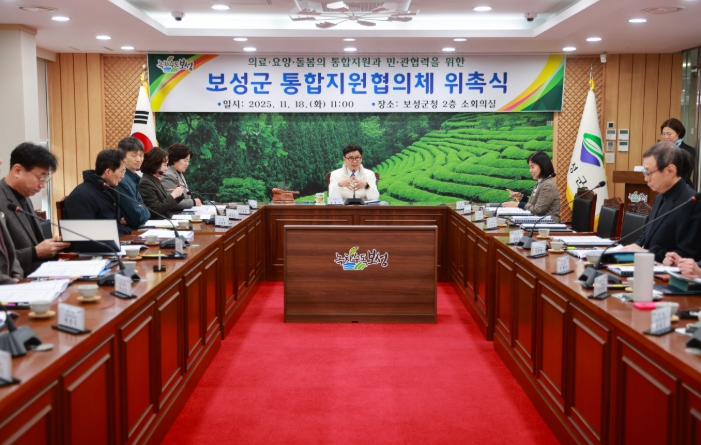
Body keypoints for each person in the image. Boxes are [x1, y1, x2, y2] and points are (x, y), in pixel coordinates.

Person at [620, 142, 701, 262]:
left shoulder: (691, 202)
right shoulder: (659, 198)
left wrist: (646, 252)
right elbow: (647, 235)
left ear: (670, 171)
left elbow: (688, 254)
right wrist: (633, 248)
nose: (645, 178)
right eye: (644, 172)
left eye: (649, 173)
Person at [0, 143, 69, 275]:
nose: (42, 185)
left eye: (45, 179)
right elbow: (3, 259)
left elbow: (35, 242)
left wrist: (52, 246)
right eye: (40, 178)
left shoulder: (25, 196)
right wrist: (35, 252)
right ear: (18, 170)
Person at [63, 149, 131, 236]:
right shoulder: (80, 196)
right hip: (99, 243)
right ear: (108, 172)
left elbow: (116, 226)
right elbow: (85, 235)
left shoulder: (110, 189)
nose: (123, 176)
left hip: (114, 239)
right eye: (122, 171)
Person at [502, 150, 560, 222]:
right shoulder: (541, 182)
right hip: (538, 222)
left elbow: (538, 211)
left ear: (542, 166)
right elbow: (532, 205)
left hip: (548, 225)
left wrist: (518, 204)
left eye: (532, 167)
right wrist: (522, 197)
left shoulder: (548, 185)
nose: (530, 171)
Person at [139, 147, 185, 219]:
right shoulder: (146, 183)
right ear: (155, 164)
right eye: (164, 165)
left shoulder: (155, 179)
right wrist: (173, 195)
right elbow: (155, 210)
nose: (166, 168)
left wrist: (178, 194)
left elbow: (166, 204)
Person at [116, 137, 150, 232]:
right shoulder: (122, 179)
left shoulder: (134, 178)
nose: (139, 159)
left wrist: (143, 210)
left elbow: (144, 210)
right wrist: (142, 210)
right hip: (125, 232)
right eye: (134, 155)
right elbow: (137, 217)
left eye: (141, 155)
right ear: (122, 156)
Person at [161, 144, 202, 210]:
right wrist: (193, 202)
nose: (187, 164)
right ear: (175, 159)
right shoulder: (168, 175)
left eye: (188, 161)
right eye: (185, 161)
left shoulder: (178, 173)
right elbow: (172, 202)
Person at [660, 118, 696, 186]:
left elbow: (685, 176)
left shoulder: (688, 150)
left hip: (683, 188)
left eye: (669, 134)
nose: (666, 137)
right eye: (663, 134)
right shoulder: (660, 150)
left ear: (678, 133)